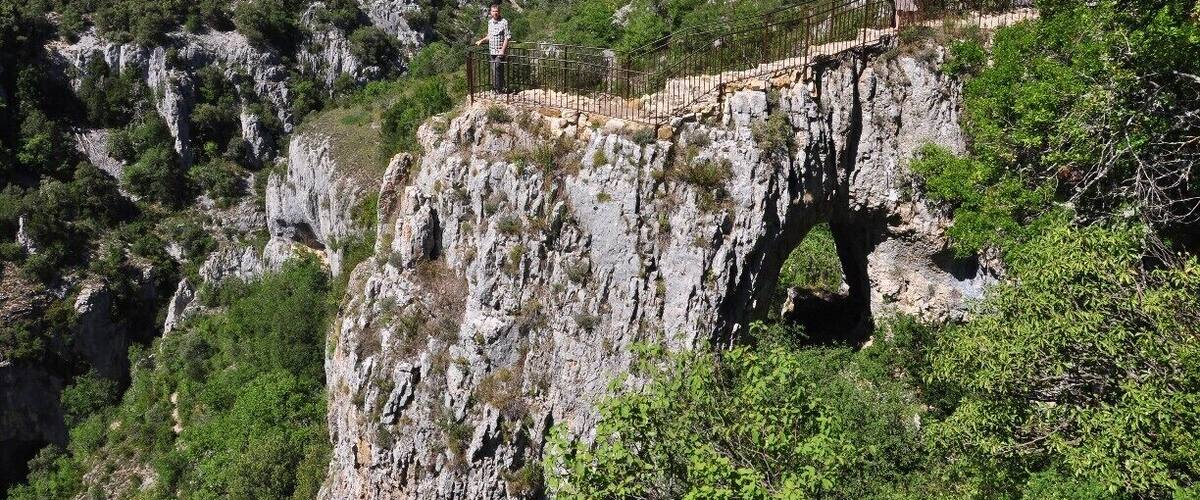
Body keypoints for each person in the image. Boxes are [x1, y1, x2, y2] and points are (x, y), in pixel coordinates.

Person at [475, 3, 511, 94]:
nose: (495, 13)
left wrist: (503, 50)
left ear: (499, 12)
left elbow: (507, 37)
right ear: (491, 12)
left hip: (500, 51)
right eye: (493, 11)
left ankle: (498, 89)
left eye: (497, 11)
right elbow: (489, 36)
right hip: (492, 51)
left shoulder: (504, 22)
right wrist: (481, 40)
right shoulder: (490, 22)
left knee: (497, 67)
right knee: (496, 70)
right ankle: (500, 88)